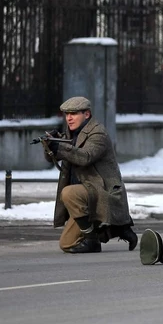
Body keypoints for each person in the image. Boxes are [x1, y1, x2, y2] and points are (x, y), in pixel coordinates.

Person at [42, 97, 137, 253]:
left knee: (68, 193)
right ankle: (118, 229)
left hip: (101, 190)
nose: (69, 118)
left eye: (73, 114)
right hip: (84, 194)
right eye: (66, 114)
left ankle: (93, 240)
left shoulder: (98, 133)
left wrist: (60, 146)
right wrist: (49, 145)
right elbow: (52, 158)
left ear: (86, 114)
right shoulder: (71, 133)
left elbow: (85, 157)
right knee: (66, 244)